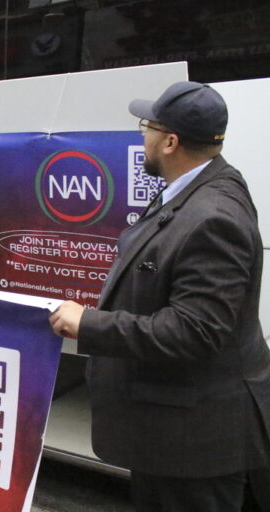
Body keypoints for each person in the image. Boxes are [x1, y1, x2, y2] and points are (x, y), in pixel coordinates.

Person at [48, 81, 270, 512]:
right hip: (172, 433)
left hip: (193, 446)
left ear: (170, 142)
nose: (140, 136)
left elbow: (194, 332)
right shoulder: (196, 188)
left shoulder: (212, 217)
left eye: (146, 127)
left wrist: (87, 323)